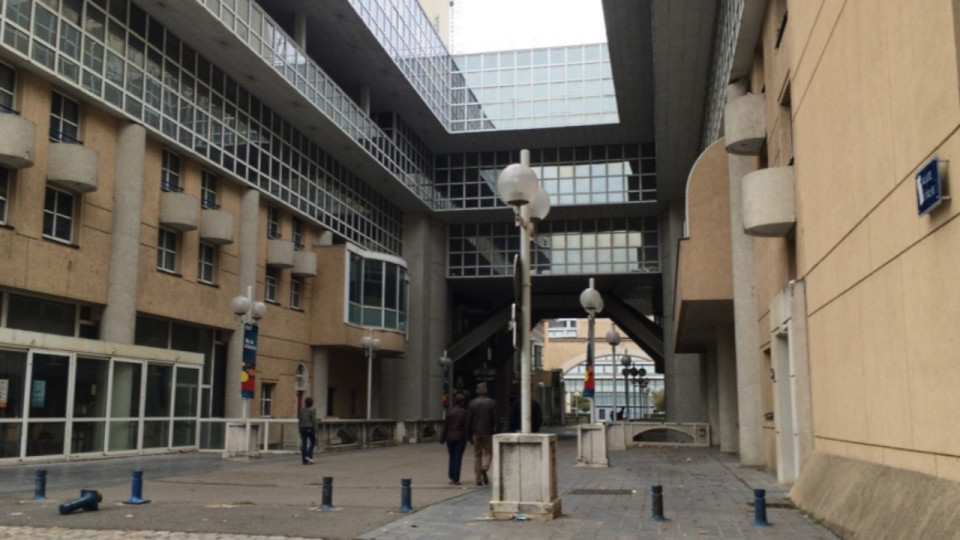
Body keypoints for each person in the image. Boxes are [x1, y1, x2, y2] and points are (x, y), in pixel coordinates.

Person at [466, 382, 498, 486]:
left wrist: (468, 434)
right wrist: (496, 431)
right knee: (488, 452)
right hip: (488, 432)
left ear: (476, 391)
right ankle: (485, 467)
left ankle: (477, 479)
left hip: (475, 432)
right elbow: (495, 419)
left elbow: (469, 420)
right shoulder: (492, 403)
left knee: (477, 455)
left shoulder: (472, 403)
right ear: (486, 390)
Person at [440, 393, 468, 485]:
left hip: (450, 437)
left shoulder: (450, 412)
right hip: (460, 437)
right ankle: (456, 478)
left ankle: (451, 476)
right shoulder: (465, 413)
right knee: (458, 457)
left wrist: (442, 438)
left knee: (451, 456)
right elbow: (467, 427)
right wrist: (469, 437)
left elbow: (445, 426)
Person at [298, 397, 317, 465]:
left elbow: (300, 419)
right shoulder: (312, 409)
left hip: (302, 427)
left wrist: (299, 428)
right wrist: (315, 429)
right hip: (310, 427)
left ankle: (304, 460)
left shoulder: (302, 410)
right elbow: (313, 420)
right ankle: (309, 455)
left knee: (304, 444)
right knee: (313, 442)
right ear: (312, 403)